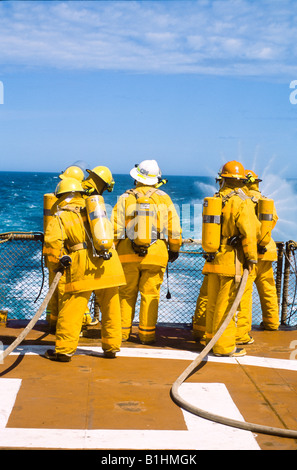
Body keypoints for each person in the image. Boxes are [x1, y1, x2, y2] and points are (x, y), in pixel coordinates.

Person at [43, 172, 126, 362]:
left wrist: (57, 263)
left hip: (83, 266)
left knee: (72, 308)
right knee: (111, 307)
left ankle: (64, 351)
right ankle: (112, 348)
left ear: (61, 196)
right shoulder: (96, 211)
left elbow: (53, 244)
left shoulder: (60, 217)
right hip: (109, 262)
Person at [111, 160, 182, 344]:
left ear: (137, 177)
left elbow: (114, 230)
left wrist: (112, 249)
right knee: (150, 295)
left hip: (127, 252)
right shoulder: (163, 198)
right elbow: (174, 229)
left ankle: (121, 334)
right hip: (156, 253)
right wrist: (174, 249)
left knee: (126, 294)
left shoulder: (125, 198)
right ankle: (146, 335)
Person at [202, 160, 261, 357]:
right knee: (226, 306)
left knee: (212, 303)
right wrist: (252, 258)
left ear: (223, 179)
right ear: (242, 180)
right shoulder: (241, 201)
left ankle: (210, 340)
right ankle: (224, 347)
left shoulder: (217, 198)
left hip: (213, 258)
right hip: (231, 260)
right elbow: (250, 232)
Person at [236, 170, 280, 344]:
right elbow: (273, 220)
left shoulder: (242, 201)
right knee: (268, 289)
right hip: (268, 250)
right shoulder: (266, 200)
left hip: (250, 252)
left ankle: (243, 331)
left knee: (245, 294)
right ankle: (272, 322)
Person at [43, 163, 87, 331]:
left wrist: (55, 263)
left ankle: (62, 332)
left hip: (62, 261)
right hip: (83, 259)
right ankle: (77, 325)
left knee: (65, 298)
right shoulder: (86, 207)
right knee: (78, 296)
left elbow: (53, 240)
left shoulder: (60, 209)